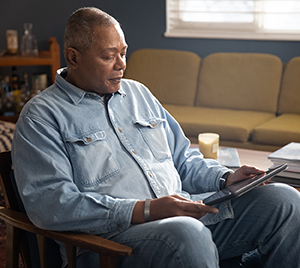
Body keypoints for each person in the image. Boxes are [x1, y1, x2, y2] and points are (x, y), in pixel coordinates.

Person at [12, 7, 300, 268]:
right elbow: (51, 205)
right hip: (112, 243)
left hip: (187, 217)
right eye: (109, 56)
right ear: (73, 57)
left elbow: (183, 160)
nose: (121, 64)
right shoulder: (41, 117)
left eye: (123, 53)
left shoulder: (139, 95)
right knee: (188, 234)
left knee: (285, 199)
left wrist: (225, 178)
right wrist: (146, 210)